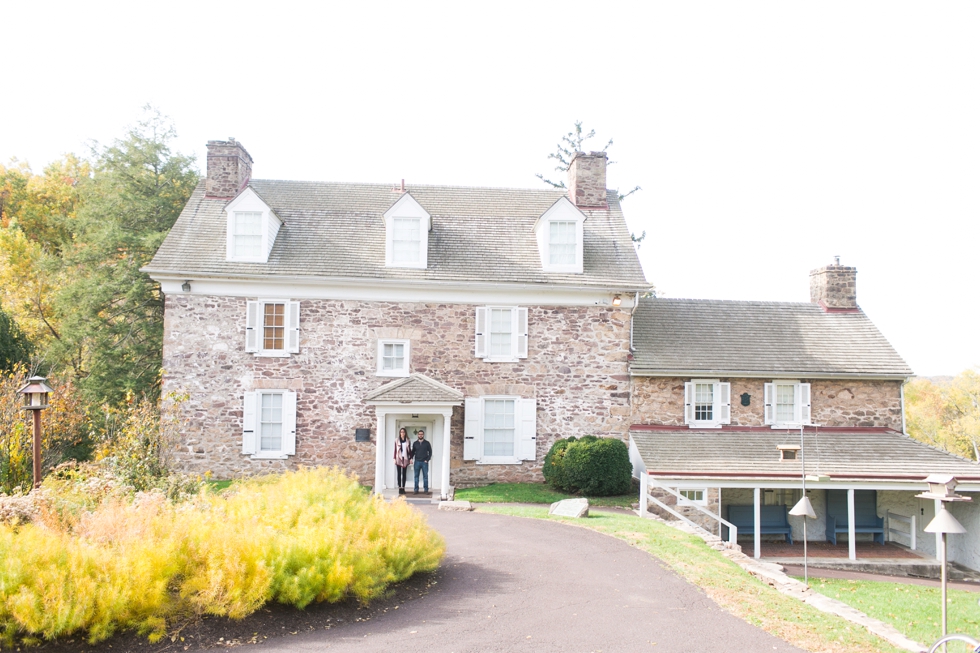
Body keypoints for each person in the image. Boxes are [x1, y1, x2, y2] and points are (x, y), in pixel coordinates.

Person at [411, 428, 432, 494]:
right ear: (418, 435)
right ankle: (416, 490)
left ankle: (426, 490)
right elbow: (412, 452)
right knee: (416, 476)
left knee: (425, 477)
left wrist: (427, 460)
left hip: (424, 462)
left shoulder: (427, 443)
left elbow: (430, 452)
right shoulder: (415, 443)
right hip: (417, 462)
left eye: (421, 434)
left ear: (423, 435)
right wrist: (411, 458)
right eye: (419, 434)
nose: (420, 435)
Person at [393, 427, 413, 494]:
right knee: (399, 473)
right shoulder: (397, 440)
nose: (402, 433)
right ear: (400, 433)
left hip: (405, 458)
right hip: (399, 458)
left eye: (403, 432)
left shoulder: (408, 440)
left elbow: (409, 450)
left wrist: (411, 458)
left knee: (404, 474)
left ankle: (403, 488)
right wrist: (394, 458)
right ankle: (399, 488)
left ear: (405, 433)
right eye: (401, 432)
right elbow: (395, 450)